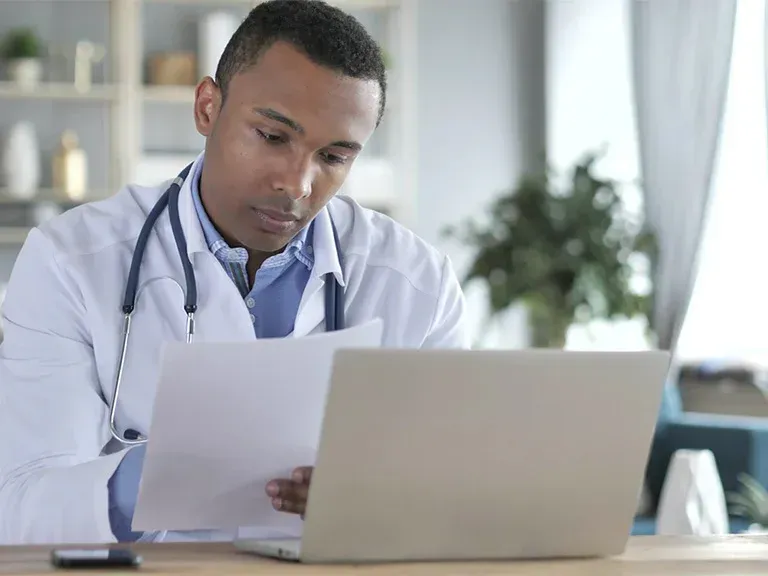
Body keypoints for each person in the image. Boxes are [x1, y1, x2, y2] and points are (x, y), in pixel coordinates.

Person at [0, 0, 468, 545]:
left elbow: (450, 503)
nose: (297, 184)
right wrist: (150, 476)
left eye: (335, 157)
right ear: (206, 107)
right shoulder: (68, 262)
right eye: (272, 136)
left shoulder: (419, 285)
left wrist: (372, 503)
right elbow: (20, 508)